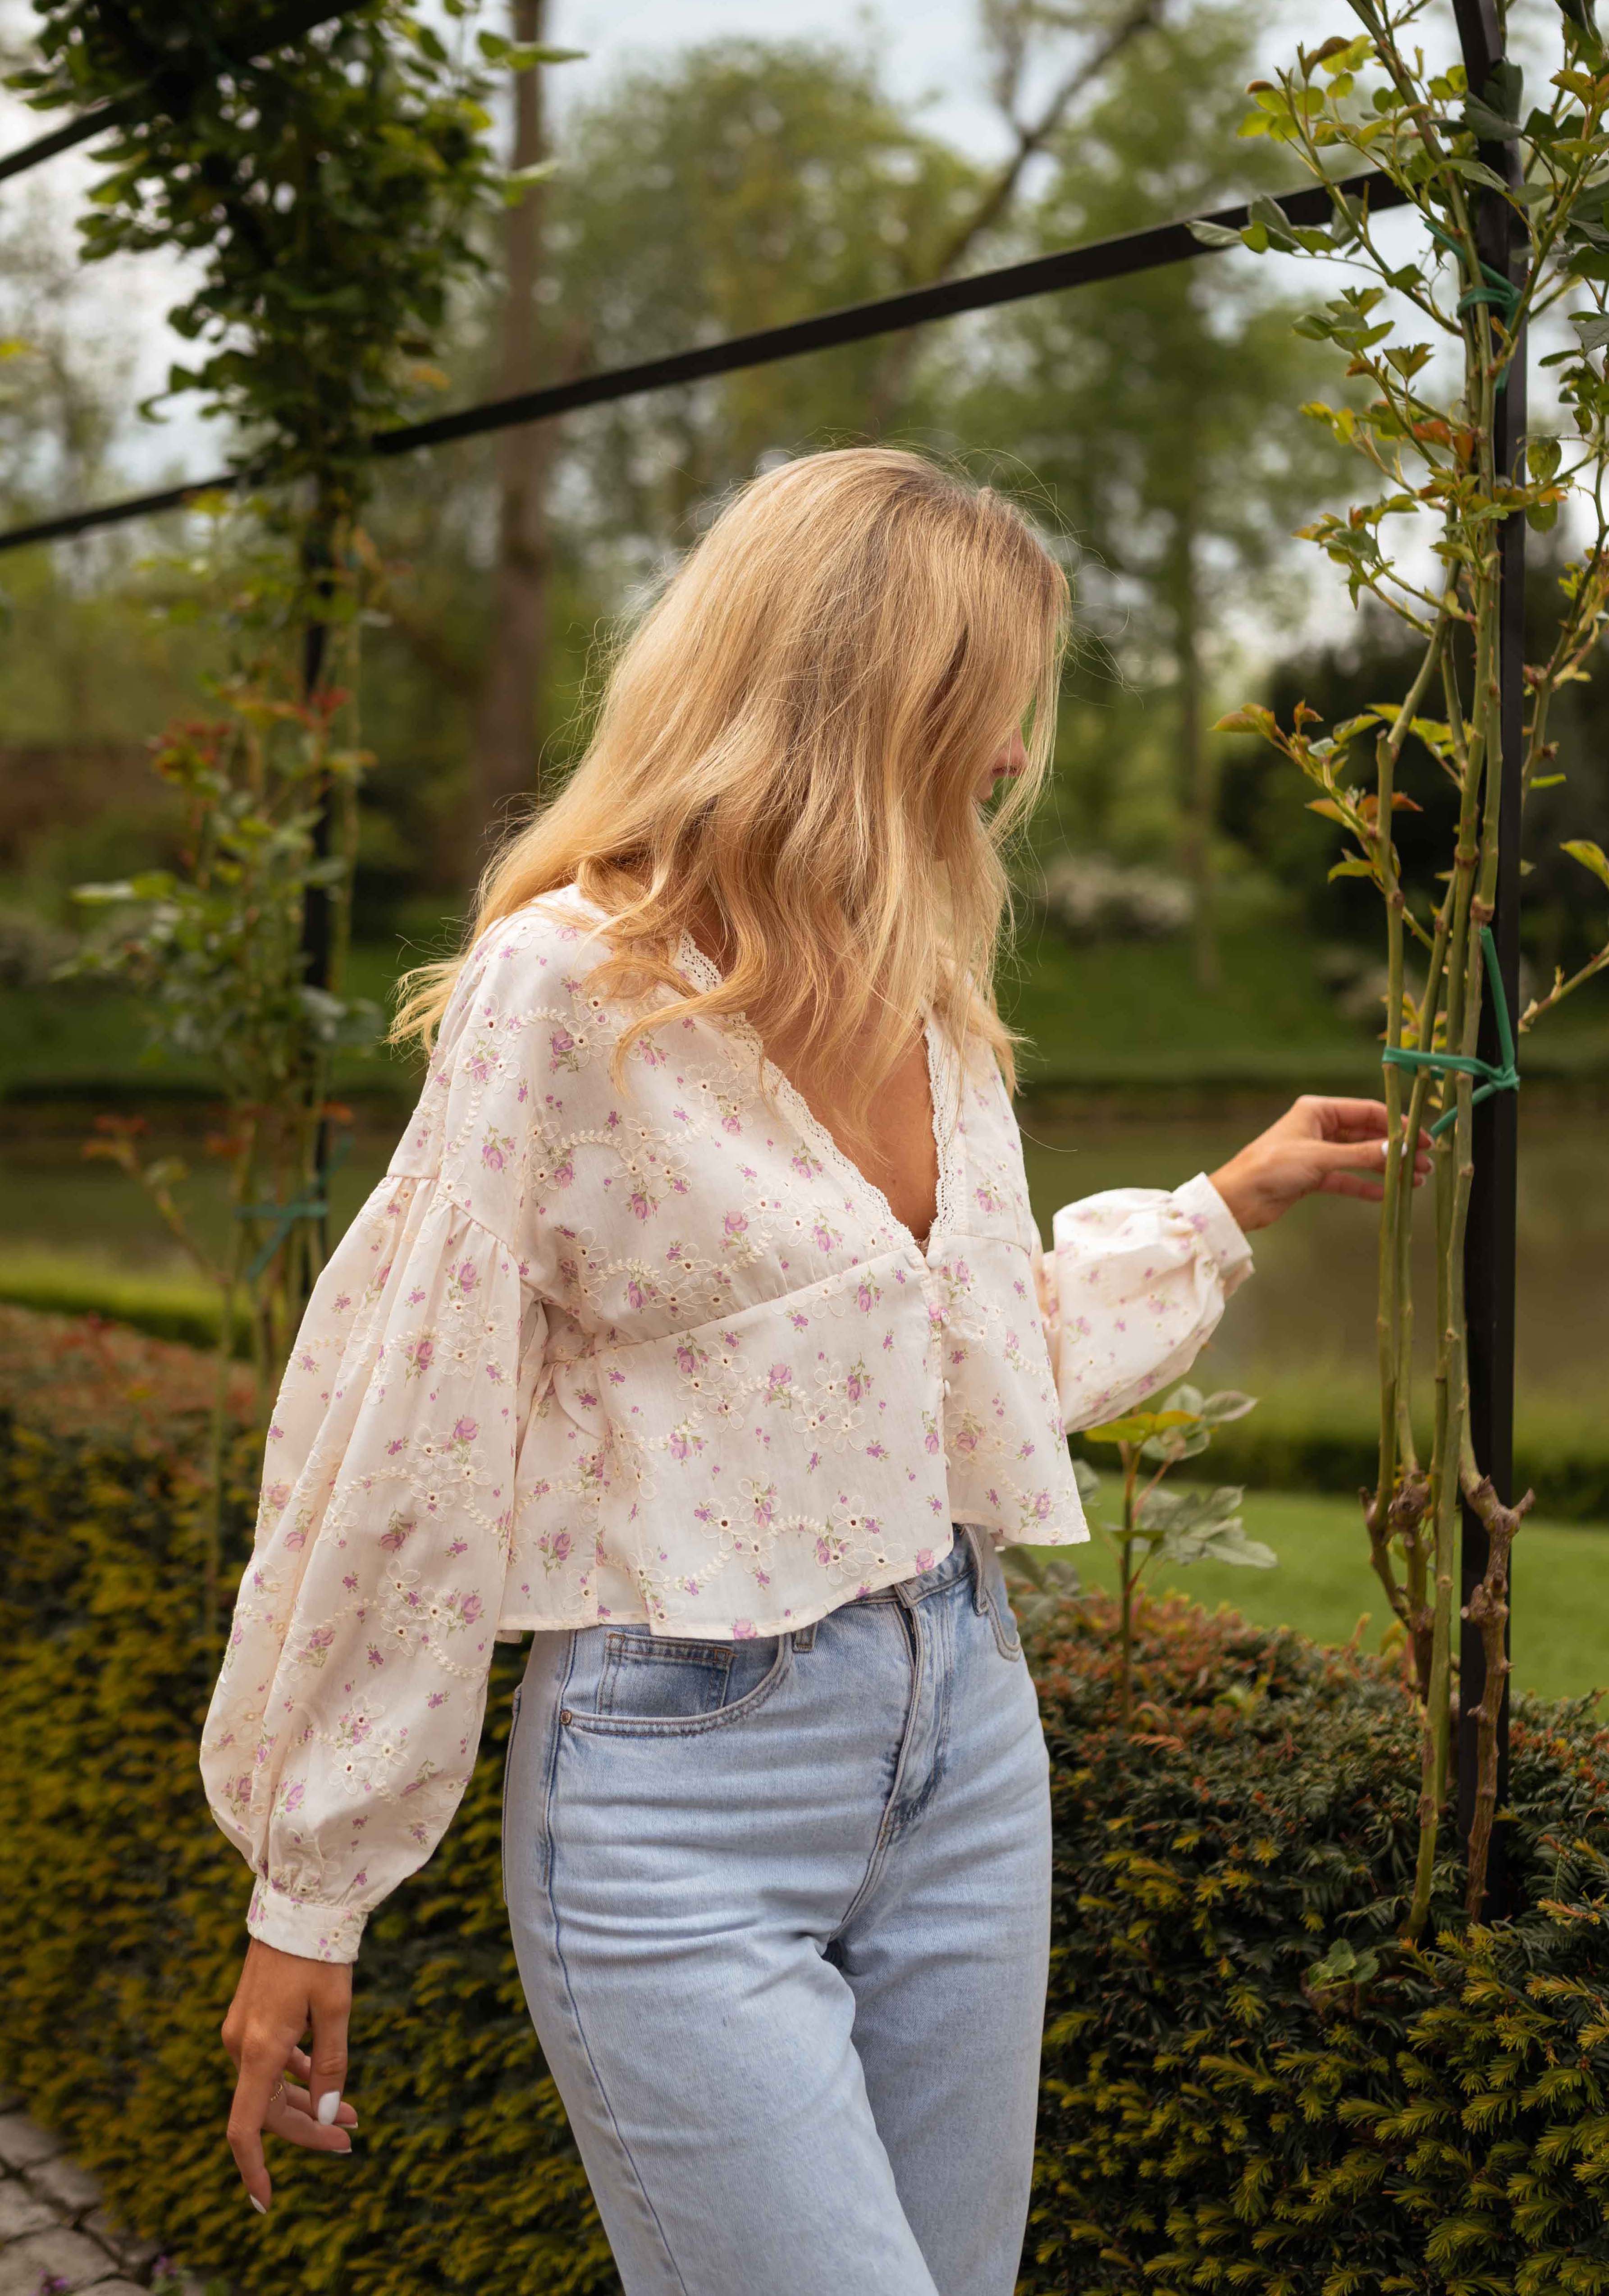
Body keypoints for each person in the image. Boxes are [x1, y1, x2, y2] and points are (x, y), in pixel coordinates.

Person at [202, 446, 1426, 2296]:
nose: (1009, 755)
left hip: (970, 1737)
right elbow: (412, 1418)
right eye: (988, 704)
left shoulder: (926, 993)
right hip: (677, 1788)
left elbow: (949, 1371)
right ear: (873, 704)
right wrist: (310, 1884)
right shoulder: (567, 989)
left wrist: (1219, 1205)